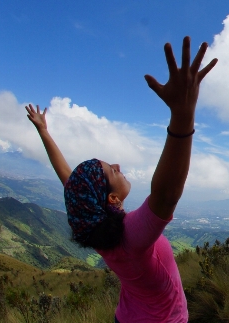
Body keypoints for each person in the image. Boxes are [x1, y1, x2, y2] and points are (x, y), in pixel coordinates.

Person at [26, 37, 217, 323]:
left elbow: (71, 182)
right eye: (111, 171)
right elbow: (165, 195)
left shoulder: (97, 228)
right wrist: (183, 113)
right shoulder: (131, 235)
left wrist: (44, 132)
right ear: (112, 199)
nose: (117, 164)